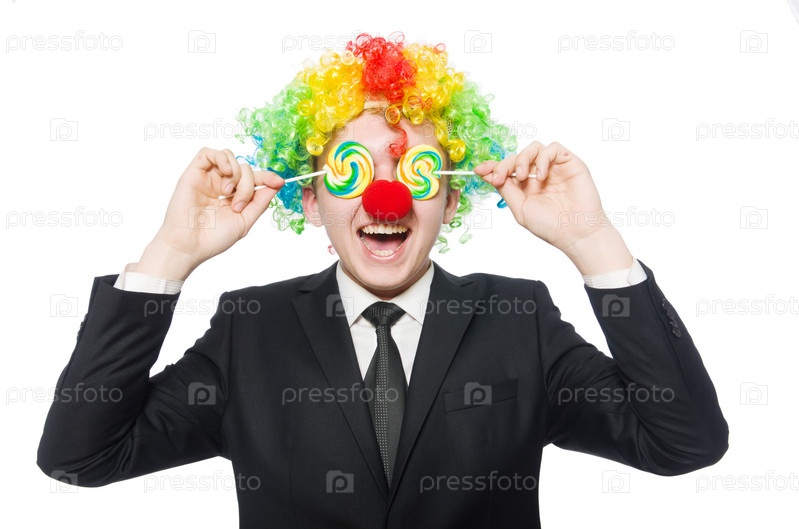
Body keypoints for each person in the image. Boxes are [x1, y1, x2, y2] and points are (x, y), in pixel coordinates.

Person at [37, 33, 728, 528]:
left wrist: (592, 240)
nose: (386, 200)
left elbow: (684, 442)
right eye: (351, 172)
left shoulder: (518, 316)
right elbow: (81, 456)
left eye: (416, 172)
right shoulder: (252, 327)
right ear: (310, 198)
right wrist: (170, 253)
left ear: (451, 199)